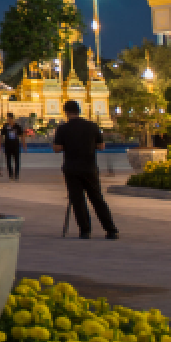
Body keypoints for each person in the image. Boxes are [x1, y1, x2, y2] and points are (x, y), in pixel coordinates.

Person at [53, 100, 119, 239]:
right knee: (97, 198)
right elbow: (101, 146)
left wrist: (68, 146)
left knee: (78, 200)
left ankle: (85, 230)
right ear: (79, 110)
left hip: (71, 168)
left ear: (66, 112)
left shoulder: (63, 128)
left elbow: (57, 148)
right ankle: (111, 229)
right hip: (89, 167)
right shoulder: (92, 126)